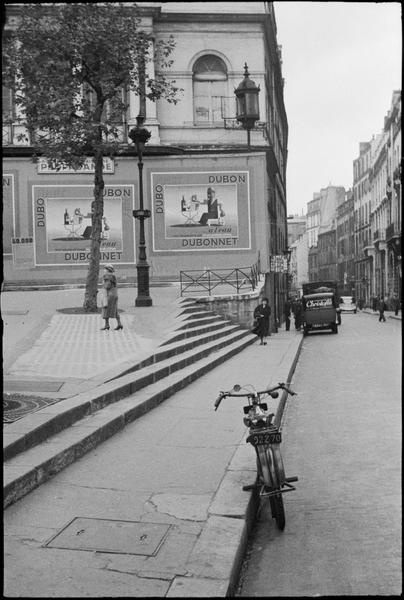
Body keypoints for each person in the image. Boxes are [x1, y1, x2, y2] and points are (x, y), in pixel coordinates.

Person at [100, 264, 123, 331]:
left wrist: (104, 285)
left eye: (105, 269)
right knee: (115, 309)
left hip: (109, 294)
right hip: (115, 294)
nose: (104, 270)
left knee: (106, 308)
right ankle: (119, 323)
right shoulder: (113, 276)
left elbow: (107, 286)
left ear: (108, 269)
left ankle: (107, 325)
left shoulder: (107, 276)